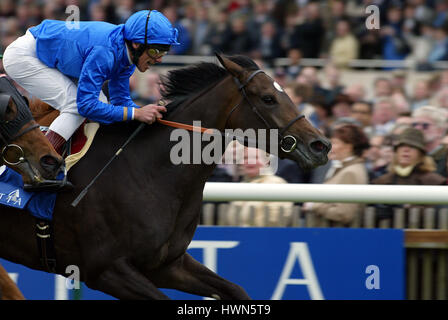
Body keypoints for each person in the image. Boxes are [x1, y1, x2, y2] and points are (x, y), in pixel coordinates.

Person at [2, 10, 178, 164]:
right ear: (137, 44)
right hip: (25, 56)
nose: (160, 59)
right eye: (155, 51)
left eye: (164, 52)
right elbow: (86, 106)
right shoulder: (105, 52)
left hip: (51, 57)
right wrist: (136, 113)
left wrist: (143, 113)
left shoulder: (127, 55)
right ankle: (43, 161)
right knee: (76, 105)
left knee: (101, 102)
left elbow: (120, 101)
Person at [372, 128, 446, 221]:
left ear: (421, 154)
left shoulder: (434, 181)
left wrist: (405, 207)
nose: (406, 150)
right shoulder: (381, 181)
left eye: (412, 146)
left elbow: (438, 214)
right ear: (396, 152)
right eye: (402, 146)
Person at [302, 124, 370, 225]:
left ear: (348, 147)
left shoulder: (351, 172)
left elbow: (344, 213)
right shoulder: (345, 168)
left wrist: (314, 206)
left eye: (334, 143)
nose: (330, 147)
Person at [225, 145, 294, 227]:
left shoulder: (276, 184)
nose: (250, 161)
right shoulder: (241, 185)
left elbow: (275, 219)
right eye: (246, 158)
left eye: (256, 157)